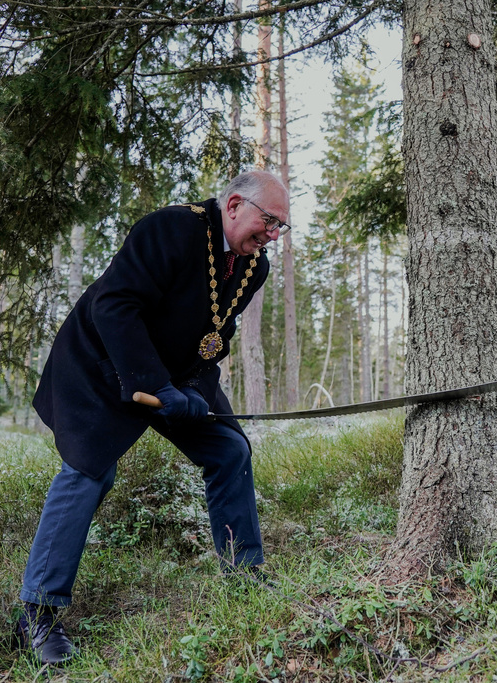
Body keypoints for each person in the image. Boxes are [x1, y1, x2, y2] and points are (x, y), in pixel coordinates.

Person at [15, 170, 291, 665]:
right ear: (233, 205)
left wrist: (189, 389)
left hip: (175, 375)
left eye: (280, 228)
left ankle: (245, 578)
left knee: (230, 450)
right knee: (89, 472)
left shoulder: (255, 267)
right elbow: (114, 306)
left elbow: (212, 337)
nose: (272, 235)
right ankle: (38, 615)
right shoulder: (172, 228)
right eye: (269, 221)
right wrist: (158, 385)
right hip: (100, 362)